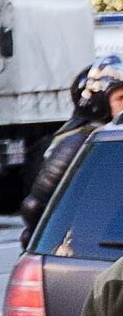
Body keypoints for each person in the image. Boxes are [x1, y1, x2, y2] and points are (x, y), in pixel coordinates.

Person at [19, 56, 123, 240]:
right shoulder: (80, 142)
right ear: (100, 102)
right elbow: (35, 207)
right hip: (88, 245)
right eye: (121, 98)